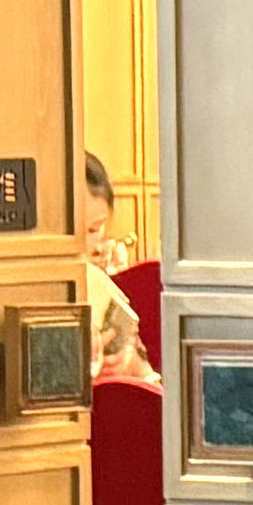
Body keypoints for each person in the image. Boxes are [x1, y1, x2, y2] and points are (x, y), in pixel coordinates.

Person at [75, 153, 156, 390]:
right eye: (81, 230)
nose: (94, 246)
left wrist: (126, 360)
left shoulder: (101, 286)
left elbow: (148, 379)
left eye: (95, 229)